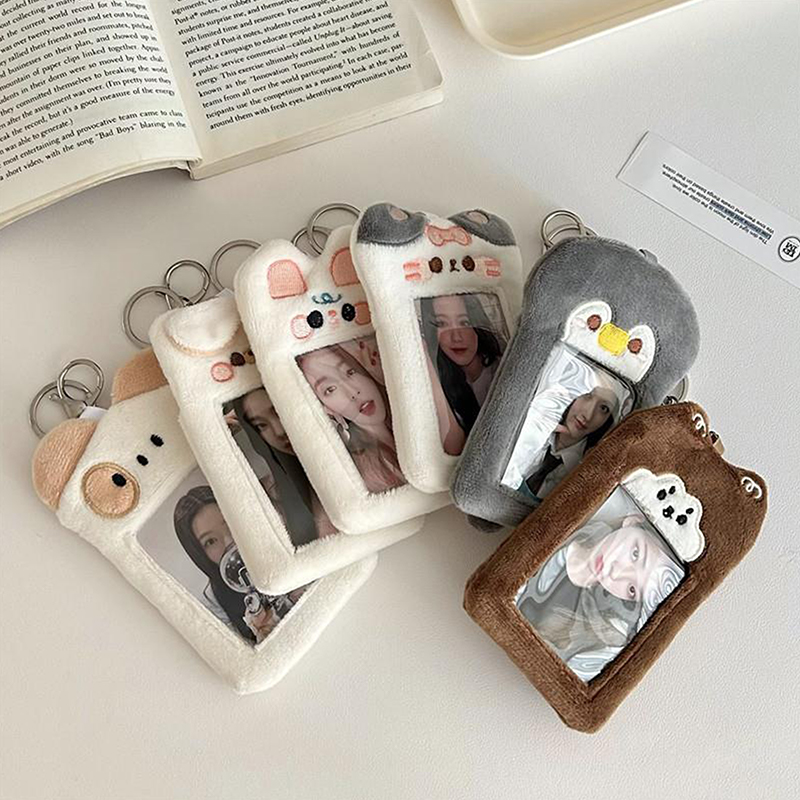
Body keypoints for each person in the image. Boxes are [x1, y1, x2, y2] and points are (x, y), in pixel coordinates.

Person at [517, 514, 683, 681]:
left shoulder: (601, 633)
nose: (616, 573)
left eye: (632, 589)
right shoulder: (574, 524)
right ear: (632, 521)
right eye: (635, 553)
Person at [174, 485, 305, 644]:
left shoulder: (286, 536)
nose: (229, 541)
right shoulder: (214, 605)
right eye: (211, 541)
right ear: (200, 554)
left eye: (229, 523)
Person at [297, 344, 406, 493]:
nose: (353, 392)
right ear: (325, 408)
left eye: (350, 372)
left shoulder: (411, 419)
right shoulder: (364, 473)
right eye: (330, 389)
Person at [236, 388, 337, 541]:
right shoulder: (273, 501)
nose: (278, 431)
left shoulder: (361, 455)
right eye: (261, 425)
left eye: (278, 412)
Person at [419, 294, 507, 454]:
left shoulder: (503, 370)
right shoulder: (445, 382)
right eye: (441, 324)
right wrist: (426, 359)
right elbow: (454, 447)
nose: (456, 337)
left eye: (464, 322)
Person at [519, 384, 620, 501]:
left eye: (603, 408)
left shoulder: (584, 472)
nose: (588, 415)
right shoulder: (533, 425)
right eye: (587, 395)